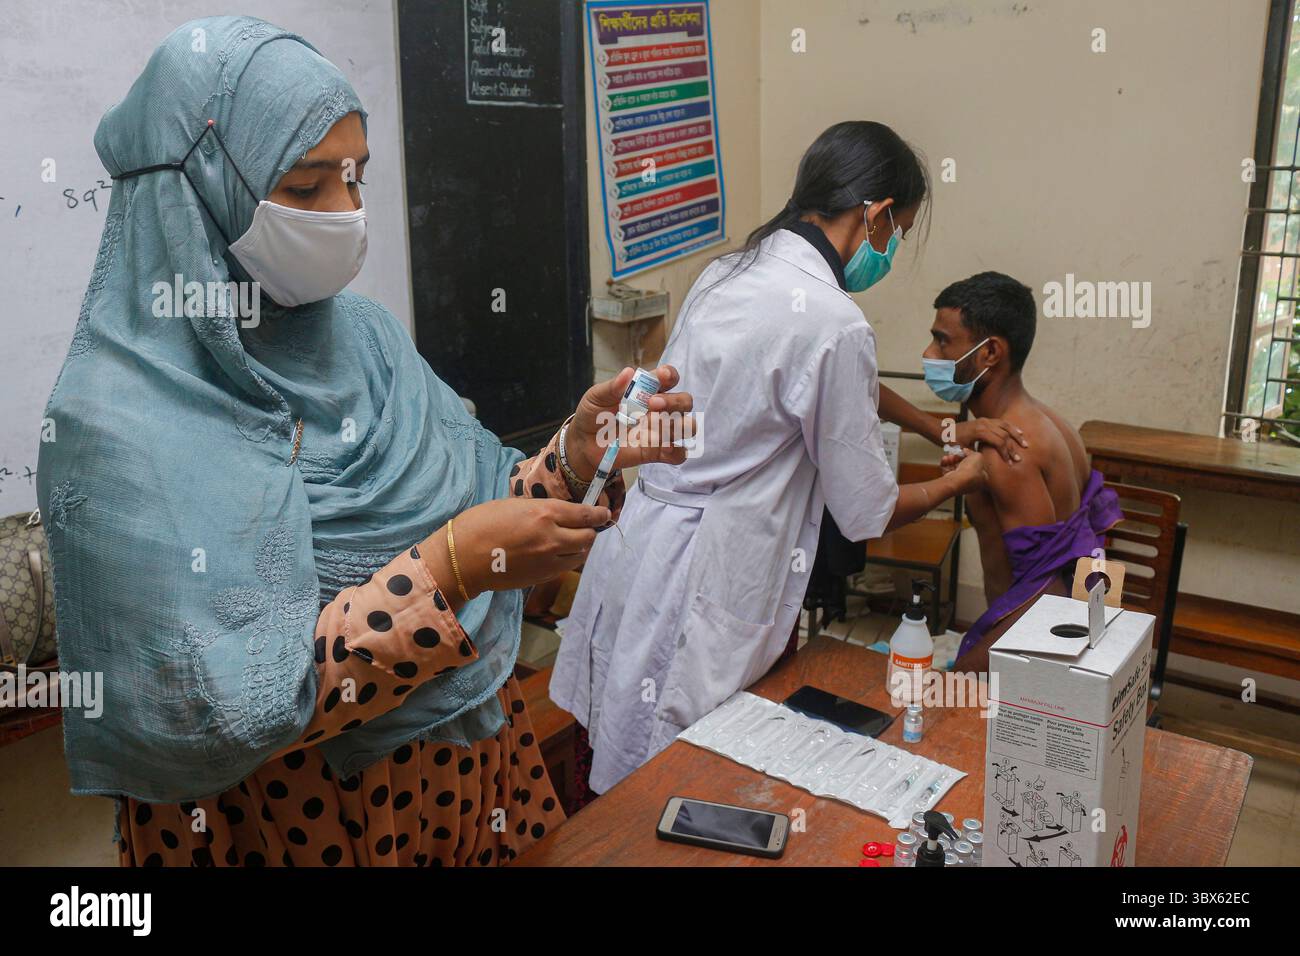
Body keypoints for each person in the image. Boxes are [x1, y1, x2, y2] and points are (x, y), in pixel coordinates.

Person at [37, 16, 691, 867]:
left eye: (356, 180)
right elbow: (216, 711)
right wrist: (449, 570)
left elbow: (478, 506)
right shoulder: (112, 426)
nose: (346, 214)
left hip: (466, 790)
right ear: (196, 192)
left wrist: (572, 459)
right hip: (281, 828)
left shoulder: (367, 340)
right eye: (306, 187)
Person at [551, 121, 990, 794]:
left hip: (644, 541)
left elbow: (821, 381)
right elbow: (866, 511)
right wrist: (961, 479)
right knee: (675, 781)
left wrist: (935, 429)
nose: (891, 249)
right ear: (874, 214)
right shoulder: (835, 321)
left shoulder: (729, 271)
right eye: (897, 231)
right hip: (711, 569)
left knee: (620, 743)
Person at [925, 272, 1124, 673]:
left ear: (990, 352)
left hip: (1030, 650)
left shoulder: (1007, 450)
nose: (929, 354)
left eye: (942, 341)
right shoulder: (1052, 423)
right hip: (1052, 633)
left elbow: (1043, 595)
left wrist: (967, 674)